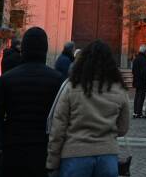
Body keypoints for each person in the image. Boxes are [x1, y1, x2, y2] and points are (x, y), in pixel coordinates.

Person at [47, 39, 129, 177]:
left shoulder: (71, 87)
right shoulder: (119, 89)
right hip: (107, 155)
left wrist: (52, 162)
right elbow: (123, 128)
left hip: (75, 153)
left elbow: (58, 128)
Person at [0, 27, 63, 176]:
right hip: (43, 149)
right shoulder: (57, 79)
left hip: (13, 148)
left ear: (23, 49)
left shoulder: (7, 79)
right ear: (45, 49)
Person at [130, 44, 146, 119]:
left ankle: (135, 112)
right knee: (141, 97)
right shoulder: (144, 60)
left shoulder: (136, 59)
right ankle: (139, 113)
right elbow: (144, 72)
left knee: (137, 96)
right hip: (142, 81)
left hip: (136, 80)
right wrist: (145, 79)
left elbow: (133, 70)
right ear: (145, 51)